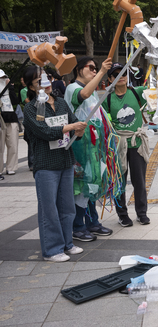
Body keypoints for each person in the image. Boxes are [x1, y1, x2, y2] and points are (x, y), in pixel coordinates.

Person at [22, 65, 87, 262]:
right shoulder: (32, 108)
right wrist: (71, 126)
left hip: (65, 161)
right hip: (46, 164)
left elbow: (74, 121)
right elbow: (45, 131)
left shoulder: (60, 102)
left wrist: (80, 130)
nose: (46, 83)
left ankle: (67, 243)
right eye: (39, 82)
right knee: (49, 208)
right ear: (32, 87)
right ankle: (51, 250)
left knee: (67, 207)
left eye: (48, 78)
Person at [65, 57, 115, 242]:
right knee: (81, 185)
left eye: (96, 69)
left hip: (94, 146)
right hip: (80, 146)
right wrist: (102, 71)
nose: (94, 71)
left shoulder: (92, 90)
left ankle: (92, 222)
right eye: (91, 68)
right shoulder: (73, 88)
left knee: (94, 182)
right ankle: (78, 227)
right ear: (79, 69)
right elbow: (82, 96)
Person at [102, 63, 150, 226]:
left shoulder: (138, 92)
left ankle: (141, 213)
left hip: (136, 142)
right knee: (119, 181)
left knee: (140, 181)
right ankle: (122, 214)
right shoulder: (107, 99)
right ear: (110, 79)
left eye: (123, 73)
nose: (120, 77)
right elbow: (103, 123)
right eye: (115, 74)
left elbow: (156, 92)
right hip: (118, 144)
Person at [0, 70, 19, 175]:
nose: (3, 80)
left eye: (4, 78)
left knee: (13, 144)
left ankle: (11, 167)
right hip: (1, 120)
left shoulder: (9, 88)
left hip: (11, 118)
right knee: (0, 146)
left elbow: (15, 101)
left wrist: (10, 87)